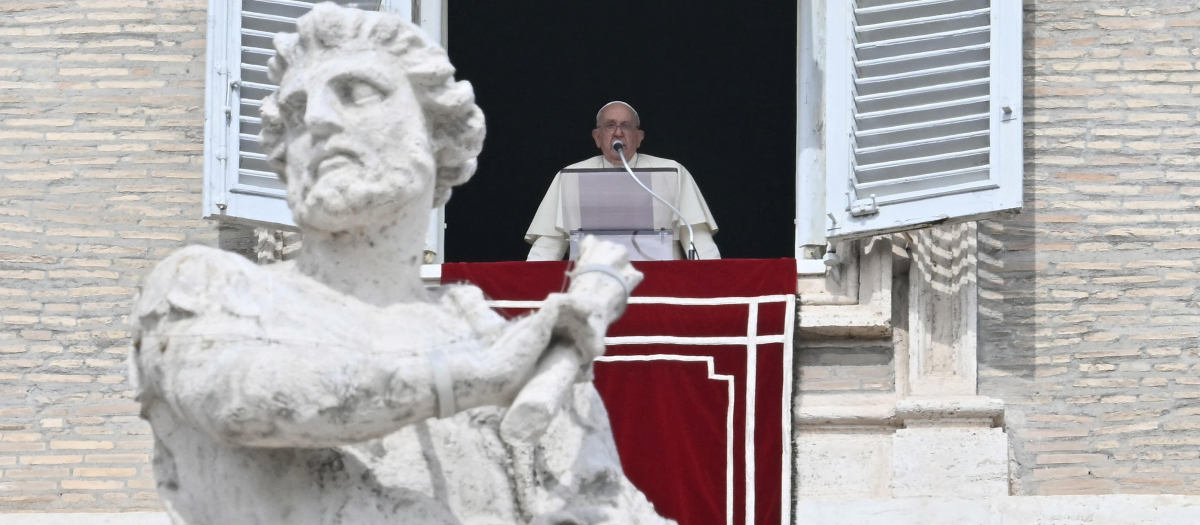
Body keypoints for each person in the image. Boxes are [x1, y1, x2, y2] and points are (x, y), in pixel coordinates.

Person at [129, 5, 672, 524]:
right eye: (295, 111)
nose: (315, 120)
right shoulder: (212, 289)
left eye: (357, 92)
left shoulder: (505, 345)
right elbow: (240, 398)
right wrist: (468, 376)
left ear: (437, 136)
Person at [525, 101, 721, 261]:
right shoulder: (570, 176)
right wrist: (530, 285)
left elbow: (698, 240)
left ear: (639, 137)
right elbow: (548, 247)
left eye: (625, 126)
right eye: (610, 125)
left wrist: (714, 282)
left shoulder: (672, 172)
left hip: (661, 283)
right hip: (591, 285)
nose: (618, 132)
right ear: (597, 137)